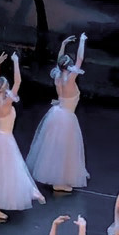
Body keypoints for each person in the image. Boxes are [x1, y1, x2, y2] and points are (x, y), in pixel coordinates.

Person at [0, 51, 44, 220]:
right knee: (10, 169)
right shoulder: (6, 102)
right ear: (4, 88)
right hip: (3, 139)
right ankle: (23, 193)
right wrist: (16, 61)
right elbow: (18, 81)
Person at [25, 33, 89, 193]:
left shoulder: (58, 75)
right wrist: (82, 41)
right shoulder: (70, 79)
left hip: (57, 112)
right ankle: (58, 181)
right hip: (66, 117)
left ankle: (59, 175)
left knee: (56, 148)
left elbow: (59, 60)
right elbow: (80, 59)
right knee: (63, 149)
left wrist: (63, 44)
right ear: (69, 66)